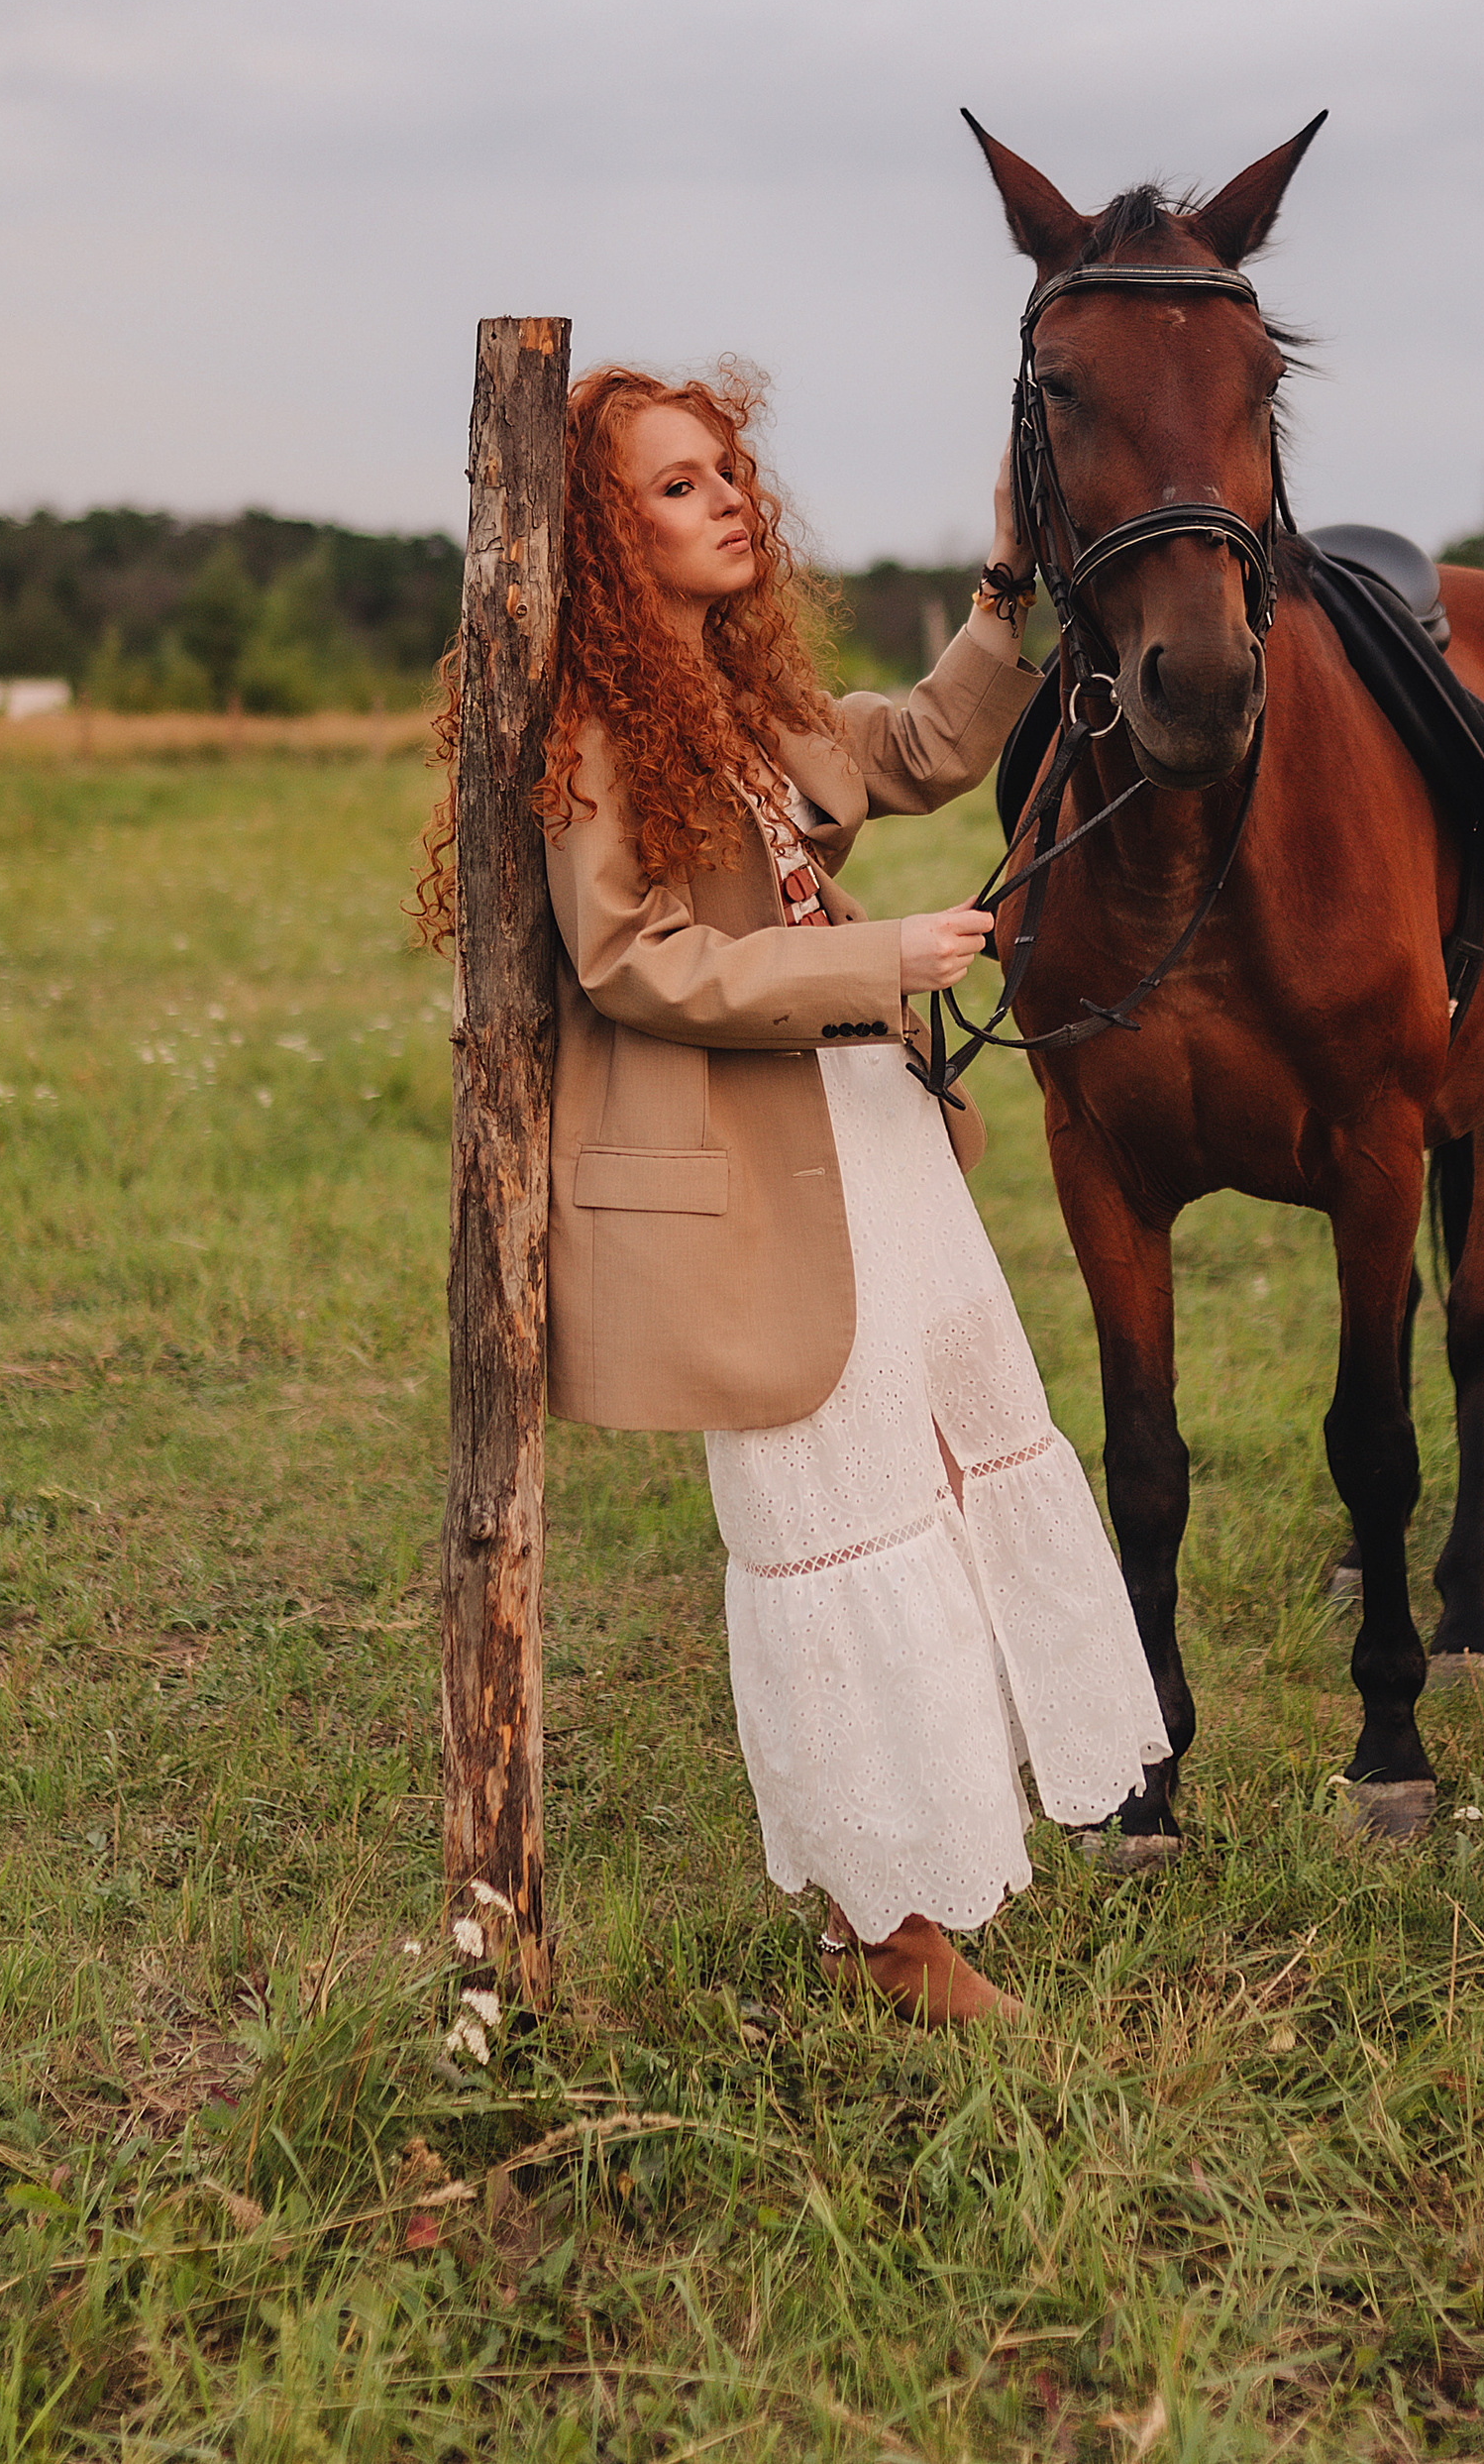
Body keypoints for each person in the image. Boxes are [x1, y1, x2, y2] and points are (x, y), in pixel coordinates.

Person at [468, 361, 1164, 2025]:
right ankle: (889, 1925)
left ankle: (911, 1882)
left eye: (729, 471)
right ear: (598, 532)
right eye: (681, 485)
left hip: (873, 1131)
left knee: (933, 1464)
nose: (732, 500)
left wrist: (1009, 587)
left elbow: (919, 744)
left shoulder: (744, 689)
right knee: (828, 1512)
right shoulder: (589, 722)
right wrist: (876, 953)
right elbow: (634, 956)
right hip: (742, 1171)